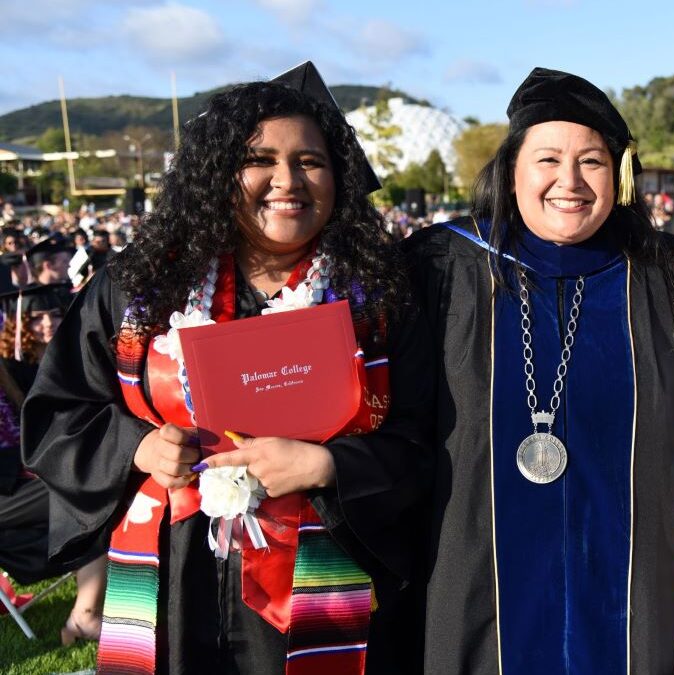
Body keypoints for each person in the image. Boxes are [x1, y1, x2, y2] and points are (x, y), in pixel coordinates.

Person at [22, 63, 433, 674]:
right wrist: (137, 450)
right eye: (259, 159)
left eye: (310, 161)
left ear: (339, 177)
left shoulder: (381, 298)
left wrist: (330, 465)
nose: (286, 180)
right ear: (217, 175)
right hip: (173, 576)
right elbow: (59, 413)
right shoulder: (138, 289)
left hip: (320, 578)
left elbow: (431, 437)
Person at [405, 67, 674, 674]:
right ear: (512, 171)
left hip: (631, 589)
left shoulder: (666, 280)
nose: (570, 181)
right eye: (548, 159)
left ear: (619, 175)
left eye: (592, 162)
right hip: (478, 587)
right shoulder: (442, 268)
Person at [0, 284, 107, 645]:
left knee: (95, 478)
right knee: (85, 489)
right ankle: (85, 615)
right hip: (8, 485)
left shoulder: (9, 374)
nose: (46, 324)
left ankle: (87, 611)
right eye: (36, 318)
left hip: (19, 478)